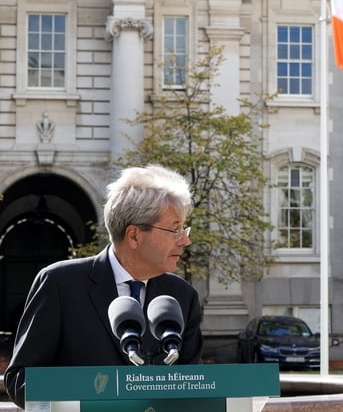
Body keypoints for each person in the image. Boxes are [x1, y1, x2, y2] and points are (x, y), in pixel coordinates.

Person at [4, 165, 204, 408]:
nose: (185, 240)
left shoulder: (183, 296)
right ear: (134, 236)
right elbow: (21, 380)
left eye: (184, 229)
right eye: (175, 229)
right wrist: (90, 395)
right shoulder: (60, 283)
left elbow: (194, 388)